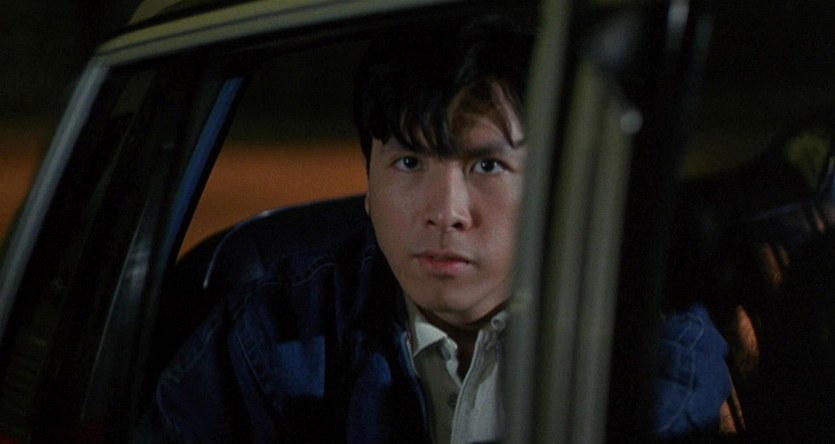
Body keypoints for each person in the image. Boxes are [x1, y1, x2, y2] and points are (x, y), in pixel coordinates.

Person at [137, 14, 731, 443]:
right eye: (409, 162)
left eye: (487, 166)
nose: (445, 212)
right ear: (368, 184)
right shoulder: (279, 333)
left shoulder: (642, 338)